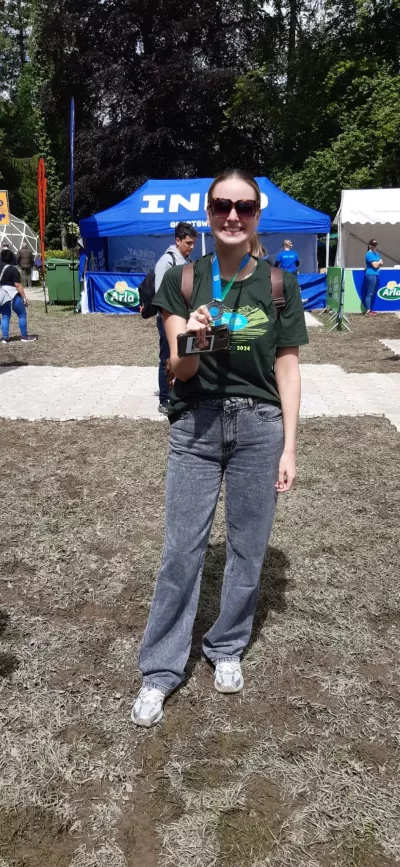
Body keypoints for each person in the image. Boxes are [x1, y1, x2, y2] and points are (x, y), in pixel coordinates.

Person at [131, 169, 309, 728]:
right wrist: (193, 335)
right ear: (209, 215)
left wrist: (290, 447)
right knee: (181, 551)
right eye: (223, 206)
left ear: (257, 215)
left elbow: (287, 366)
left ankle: (226, 647)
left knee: (247, 549)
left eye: (245, 207)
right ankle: (160, 672)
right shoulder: (184, 281)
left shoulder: (279, 283)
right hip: (197, 428)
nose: (233, 216)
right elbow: (177, 368)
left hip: (261, 430)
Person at [154, 222, 197, 415]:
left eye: (193, 243)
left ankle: (179, 394)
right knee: (168, 358)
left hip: (184, 318)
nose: (192, 246)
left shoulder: (186, 261)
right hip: (168, 318)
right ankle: (165, 400)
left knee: (183, 355)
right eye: (188, 243)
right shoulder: (167, 261)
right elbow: (160, 294)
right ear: (177, 240)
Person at [0, 249, 36, 343]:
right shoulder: (13, 269)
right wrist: (24, 297)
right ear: (12, 259)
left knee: (5, 316)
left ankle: (5, 337)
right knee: (22, 314)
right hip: (11, 294)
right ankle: (24, 336)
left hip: (1, 294)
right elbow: (18, 285)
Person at [364, 239, 383, 317]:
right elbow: (375, 266)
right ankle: (367, 311)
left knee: (371, 293)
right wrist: (378, 263)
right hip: (371, 274)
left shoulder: (376, 253)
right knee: (370, 293)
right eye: (373, 245)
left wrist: (377, 263)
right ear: (369, 245)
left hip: (375, 274)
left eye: (375, 245)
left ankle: (369, 309)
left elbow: (382, 263)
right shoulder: (369, 254)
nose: (374, 246)